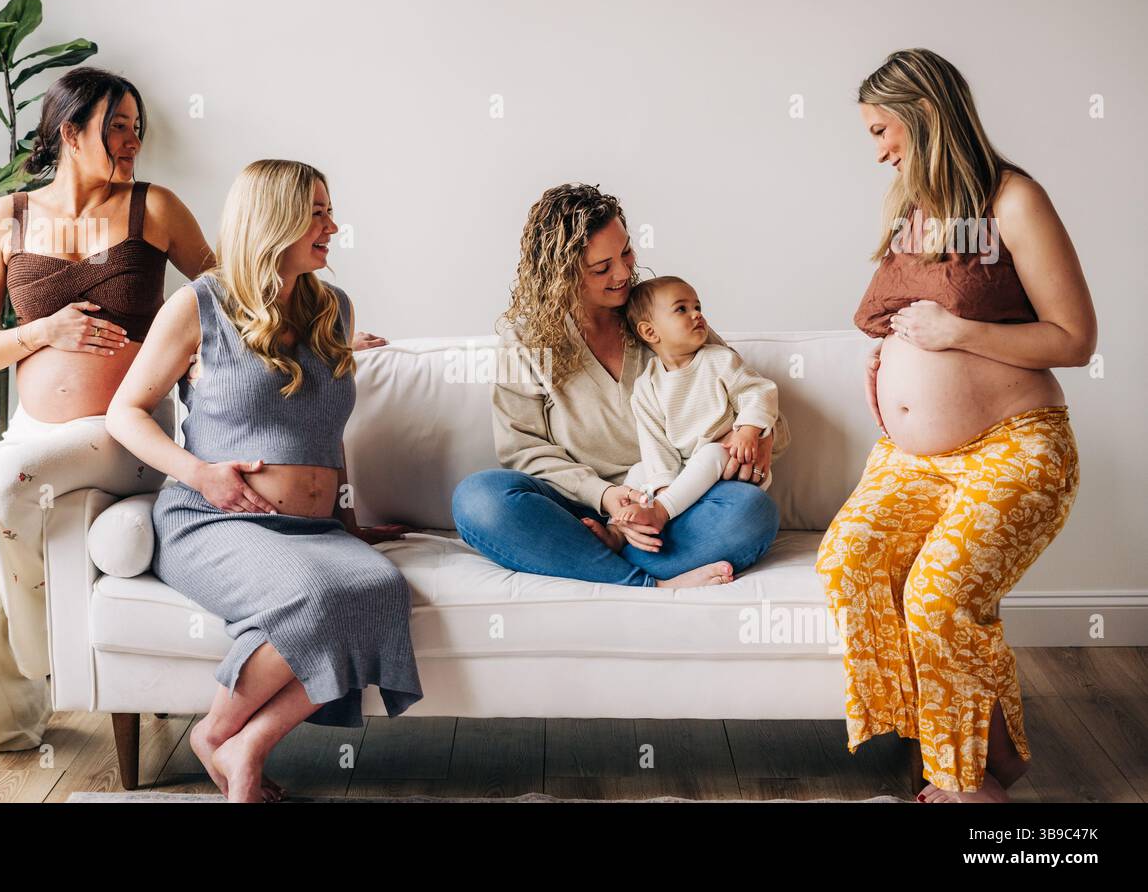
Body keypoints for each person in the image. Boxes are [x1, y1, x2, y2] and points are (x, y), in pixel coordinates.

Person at [816, 48, 1096, 802]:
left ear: (925, 115)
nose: (878, 151)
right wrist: (890, 356)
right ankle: (983, 751)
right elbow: (907, 313)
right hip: (911, 460)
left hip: (1013, 444)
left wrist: (956, 334)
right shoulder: (914, 211)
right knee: (849, 562)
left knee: (939, 598)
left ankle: (968, 780)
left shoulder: (1014, 201)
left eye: (882, 130)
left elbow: (1075, 339)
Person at [106, 159, 422, 802]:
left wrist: (348, 522)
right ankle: (220, 736)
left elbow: (326, 431)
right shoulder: (198, 305)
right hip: (212, 518)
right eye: (316, 214)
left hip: (312, 529)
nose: (333, 227)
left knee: (380, 588)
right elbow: (125, 412)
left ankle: (237, 742)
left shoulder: (334, 309)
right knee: (315, 599)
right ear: (274, 219)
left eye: (330, 212)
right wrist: (201, 474)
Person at [0, 66, 216, 752]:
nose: (133, 141)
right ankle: (12, 726)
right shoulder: (8, 217)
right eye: (117, 127)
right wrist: (43, 332)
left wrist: (318, 331)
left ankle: (46, 656)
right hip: (33, 438)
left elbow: (232, 294)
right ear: (70, 132)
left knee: (13, 483)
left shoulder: (155, 208)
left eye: (137, 129)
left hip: (123, 436)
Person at [452, 183, 788, 589]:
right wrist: (605, 497)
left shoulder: (660, 317)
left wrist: (760, 436)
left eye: (626, 252)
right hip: (577, 513)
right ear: (561, 275)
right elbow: (521, 450)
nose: (624, 273)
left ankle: (594, 563)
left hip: (674, 509)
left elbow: (755, 402)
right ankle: (649, 583)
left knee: (751, 510)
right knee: (479, 499)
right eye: (601, 268)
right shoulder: (524, 344)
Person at [605, 277, 780, 578]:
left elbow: (759, 391)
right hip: (682, 473)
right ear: (649, 332)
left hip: (729, 466)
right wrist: (662, 486)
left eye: (697, 306)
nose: (697, 314)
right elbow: (655, 445)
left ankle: (661, 512)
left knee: (713, 452)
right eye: (682, 309)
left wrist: (749, 430)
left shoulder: (720, 361)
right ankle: (617, 532)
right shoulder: (646, 387)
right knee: (639, 471)